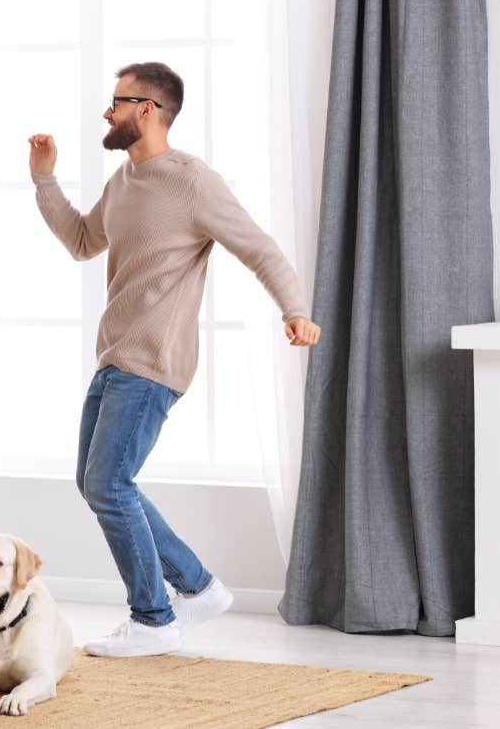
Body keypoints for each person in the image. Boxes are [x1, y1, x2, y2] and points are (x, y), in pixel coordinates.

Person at [27, 61, 321, 657]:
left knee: (109, 482)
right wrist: (45, 181)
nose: (107, 112)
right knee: (95, 482)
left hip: (154, 359)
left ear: (149, 110)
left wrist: (294, 308)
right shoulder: (124, 180)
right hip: (114, 354)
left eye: (118, 102)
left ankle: (154, 618)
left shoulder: (192, 181)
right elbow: (84, 242)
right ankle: (198, 587)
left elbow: (259, 247)